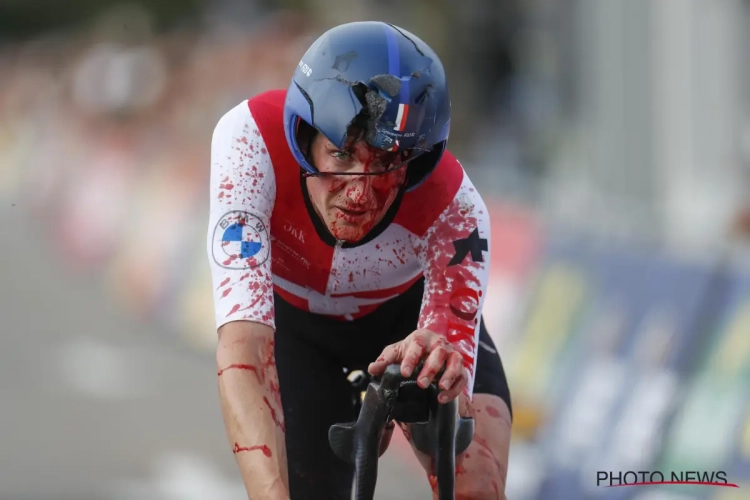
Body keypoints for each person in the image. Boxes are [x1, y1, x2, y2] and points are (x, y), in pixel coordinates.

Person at [208, 21, 512, 500]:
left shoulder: (456, 207)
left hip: (406, 322)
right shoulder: (249, 142)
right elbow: (243, 349)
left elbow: (451, 369)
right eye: (341, 153)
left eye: (387, 163)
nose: (358, 192)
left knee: (477, 480)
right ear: (303, 133)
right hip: (299, 333)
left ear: (416, 160)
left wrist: (437, 368)